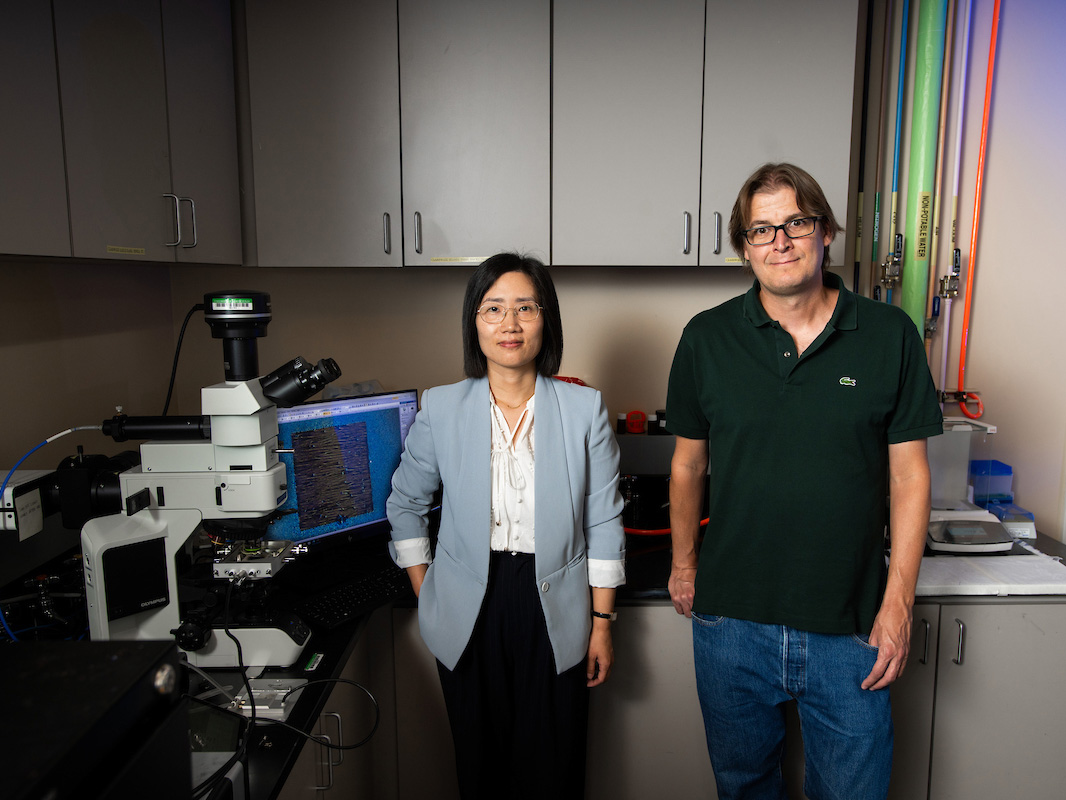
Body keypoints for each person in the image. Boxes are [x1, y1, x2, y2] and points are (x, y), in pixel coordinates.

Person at [665, 163, 942, 800]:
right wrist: (684, 565)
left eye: (795, 222)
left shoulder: (887, 335)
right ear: (743, 247)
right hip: (731, 625)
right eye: (761, 230)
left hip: (852, 625)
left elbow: (909, 475)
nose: (779, 241)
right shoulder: (707, 339)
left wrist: (898, 603)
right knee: (743, 789)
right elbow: (687, 464)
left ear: (824, 233)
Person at [386, 252, 625, 800]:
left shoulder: (584, 408)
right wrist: (430, 592)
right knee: (481, 769)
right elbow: (405, 504)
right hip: (469, 604)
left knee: (555, 769)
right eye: (493, 308)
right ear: (475, 321)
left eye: (525, 307)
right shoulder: (442, 407)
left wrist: (603, 622)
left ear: (547, 319)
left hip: (558, 603)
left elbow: (605, 517)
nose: (510, 324)